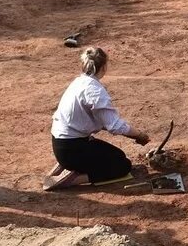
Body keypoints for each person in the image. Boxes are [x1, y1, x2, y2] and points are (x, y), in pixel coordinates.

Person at [44, 47, 151, 191]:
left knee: (117, 155)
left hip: (60, 144)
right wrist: (139, 135)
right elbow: (114, 125)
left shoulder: (79, 82)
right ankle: (74, 179)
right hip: (71, 148)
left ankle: (69, 164)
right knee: (122, 165)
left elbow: (104, 122)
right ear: (104, 67)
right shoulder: (95, 90)